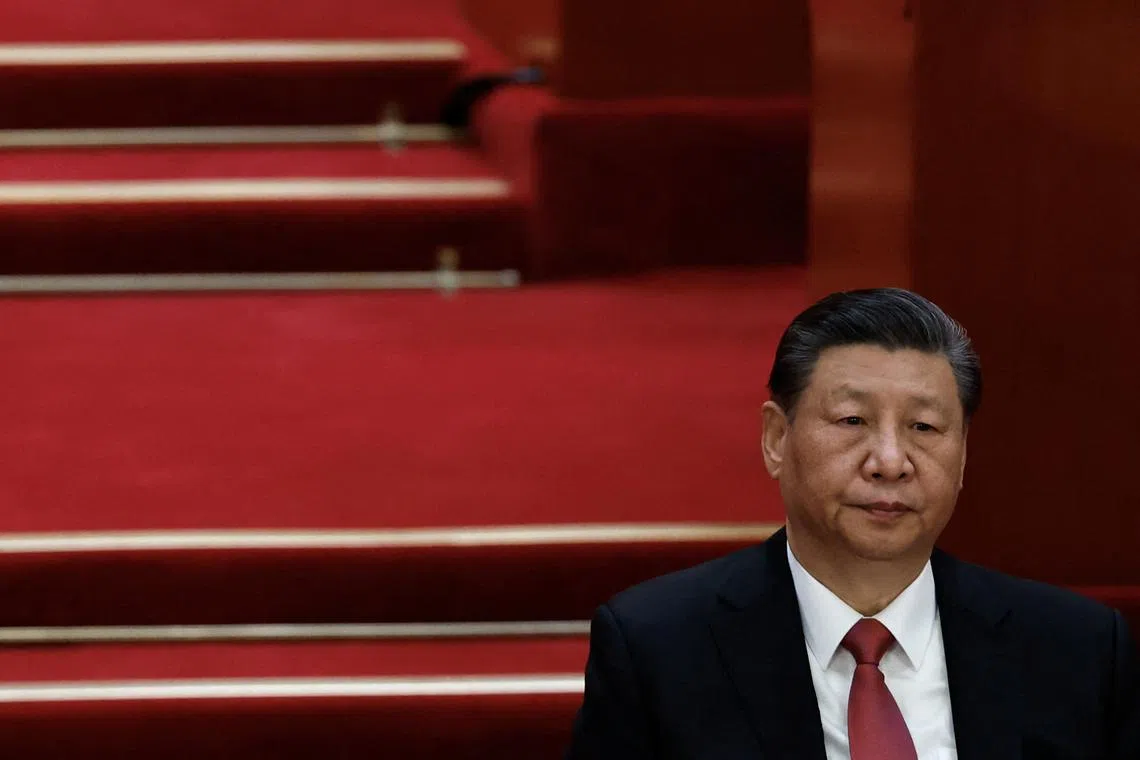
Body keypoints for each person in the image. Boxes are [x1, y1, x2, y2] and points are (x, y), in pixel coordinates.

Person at [565, 288, 1139, 759]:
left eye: (924, 427)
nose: (889, 461)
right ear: (776, 439)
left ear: (963, 458)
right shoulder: (659, 648)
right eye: (852, 419)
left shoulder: (1077, 650)